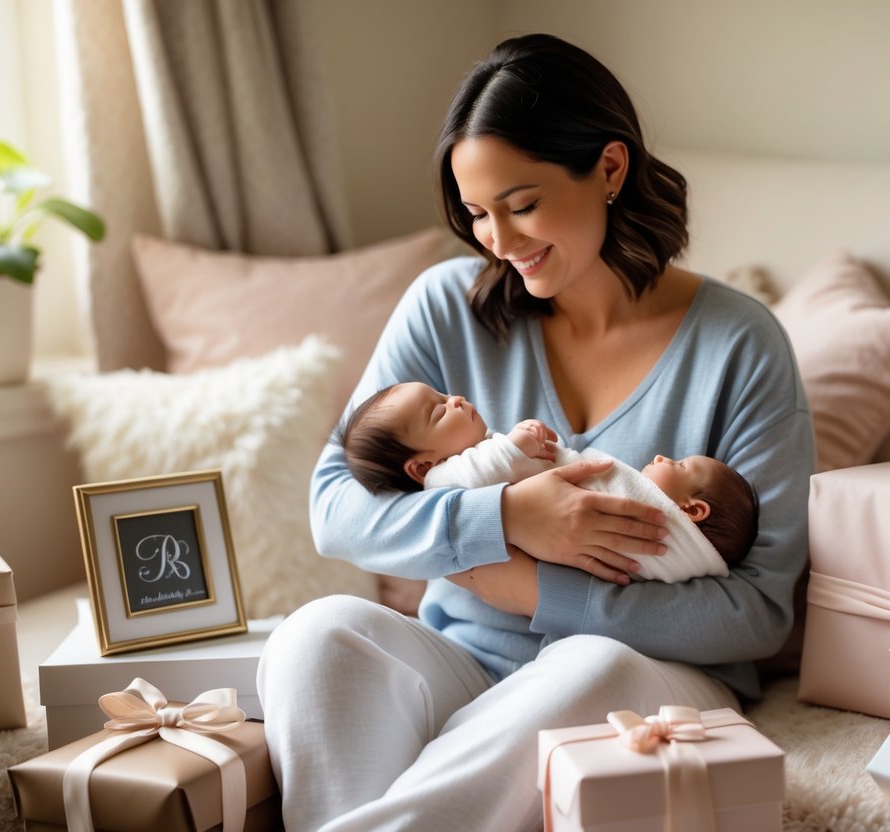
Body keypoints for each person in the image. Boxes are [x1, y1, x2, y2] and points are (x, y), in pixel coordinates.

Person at [257, 32, 814, 832]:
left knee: (591, 664)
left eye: (521, 205)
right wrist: (507, 521)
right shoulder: (444, 306)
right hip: (466, 659)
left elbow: (758, 612)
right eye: (479, 214)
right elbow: (334, 506)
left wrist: (532, 585)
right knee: (319, 634)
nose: (499, 241)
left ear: (611, 170)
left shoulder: (739, 343)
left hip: (647, 674)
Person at [337, 380, 760, 579]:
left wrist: (532, 445)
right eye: (439, 409)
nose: (457, 398)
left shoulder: (475, 449)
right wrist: (514, 496)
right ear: (421, 468)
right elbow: (470, 477)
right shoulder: (443, 479)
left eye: (444, 394)